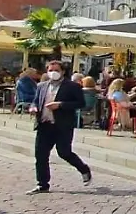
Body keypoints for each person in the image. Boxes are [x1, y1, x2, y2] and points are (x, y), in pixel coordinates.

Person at [28, 60, 92, 194]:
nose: (53, 73)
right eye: (50, 70)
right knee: (40, 155)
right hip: (44, 124)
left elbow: (80, 103)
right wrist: (33, 107)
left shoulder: (72, 86)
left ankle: (84, 169)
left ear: (62, 72)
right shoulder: (41, 86)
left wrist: (61, 104)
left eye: (56, 70)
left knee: (64, 152)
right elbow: (36, 100)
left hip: (62, 125)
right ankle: (42, 184)